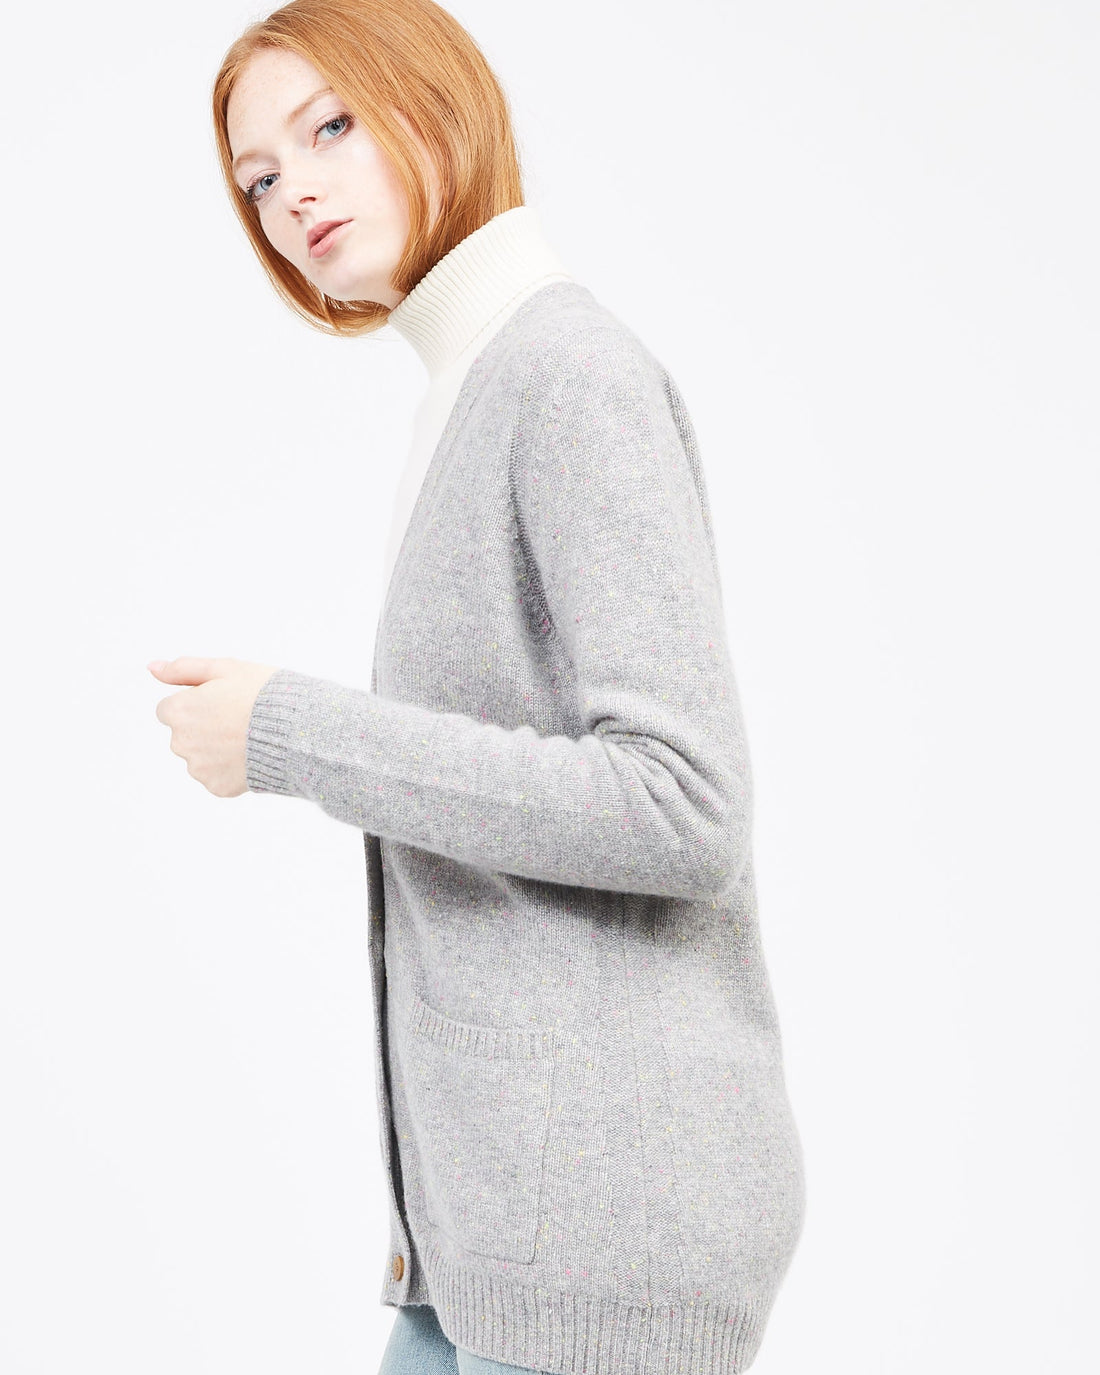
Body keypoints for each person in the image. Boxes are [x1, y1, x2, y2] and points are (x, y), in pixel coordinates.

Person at [149, 2, 807, 1372]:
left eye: (330, 127)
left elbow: (683, 804)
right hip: (488, 1249)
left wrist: (289, 733)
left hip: (604, 1241)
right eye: (259, 178)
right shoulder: (472, 386)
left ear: (438, 100)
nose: (293, 194)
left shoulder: (567, 375)